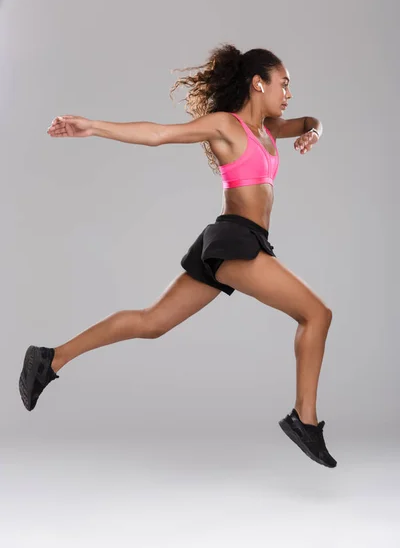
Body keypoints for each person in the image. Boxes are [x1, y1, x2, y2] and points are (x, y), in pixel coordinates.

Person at [19, 44, 337, 468]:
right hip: (236, 240)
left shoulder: (269, 129)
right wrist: (93, 126)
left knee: (152, 322)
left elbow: (311, 120)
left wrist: (315, 130)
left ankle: (50, 358)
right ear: (258, 83)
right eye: (284, 83)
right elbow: (158, 133)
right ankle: (305, 419)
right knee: (317, 315)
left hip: (234, 242)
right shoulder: (228, 125)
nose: (289, 93)